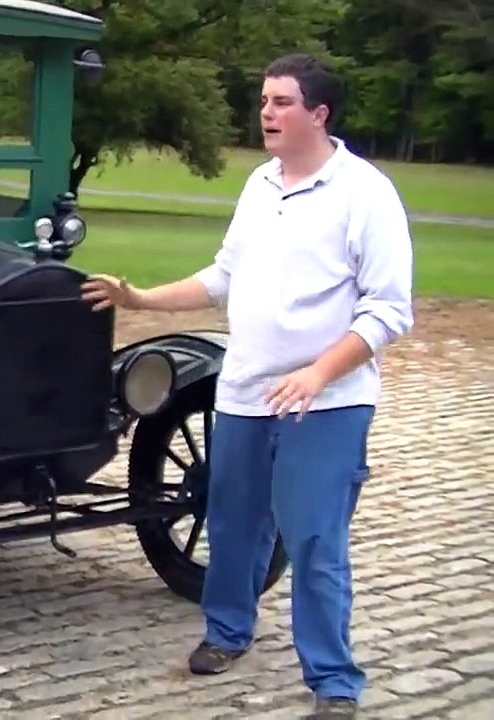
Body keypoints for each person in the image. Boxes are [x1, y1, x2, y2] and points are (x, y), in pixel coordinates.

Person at [82, 54, 414, 719]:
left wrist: (318, 372)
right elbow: (223, 276)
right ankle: (228, 632)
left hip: (328, 402)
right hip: (243, 394)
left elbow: (389, 310)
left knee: (315, 536)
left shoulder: (365, 192)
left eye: (282, 102)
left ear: (318, 114)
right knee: (232, 523)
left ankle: (334, 682)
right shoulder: (261, 183)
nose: (266, 112)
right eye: (264, 100)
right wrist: (142, 296)